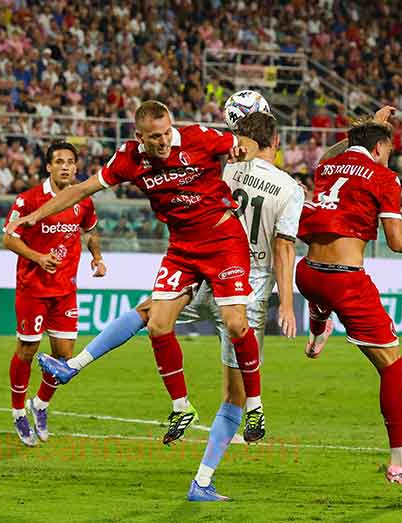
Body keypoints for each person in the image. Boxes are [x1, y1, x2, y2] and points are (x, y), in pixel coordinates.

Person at [38, 111, 310, 501]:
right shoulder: (285, 186)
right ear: (277, 143)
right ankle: (206, 463)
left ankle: (77, 365)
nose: (165, 141)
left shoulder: (227, 165)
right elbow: (286, 245)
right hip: (235, 270)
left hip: (222, 258)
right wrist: (287, 300)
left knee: (148, 314)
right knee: (205, 359)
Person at [6, 100, 263, 459]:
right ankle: (182, 407)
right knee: (156, 324)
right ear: (139, 137)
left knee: (236, 323)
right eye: (155, 137)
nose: (164, 141)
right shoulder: (129, 158)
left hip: (222, 239)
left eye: (167, 133)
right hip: (182, 247)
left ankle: (255, 406)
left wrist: (241, 148)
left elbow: (247, 143)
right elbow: (80, 190)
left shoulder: (198, 137)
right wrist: (35, 216)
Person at [295, 114, 402, 490]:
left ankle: (318, 324)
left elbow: (335, 155)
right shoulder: (384, 177)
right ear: (380, 147)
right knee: (393, 366)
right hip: (344, 281)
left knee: (320, 297)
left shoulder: (327, 168)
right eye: (388, 150)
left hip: (307, 274)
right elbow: (397, 241)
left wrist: (361, 134)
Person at [2, 142, 106, 447]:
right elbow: (8, 238)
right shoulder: (29, 200)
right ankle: (18, 411)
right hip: (33, 289)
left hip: (65, 291)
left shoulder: (83, 199)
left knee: (64, 356)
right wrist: (37, 257)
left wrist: (97, 257)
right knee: (27, 350)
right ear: (48, 167)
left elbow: (91, 231)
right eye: (59, 161)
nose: (65, 166)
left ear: (76, 167)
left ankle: (41, 404)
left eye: (70, 162)